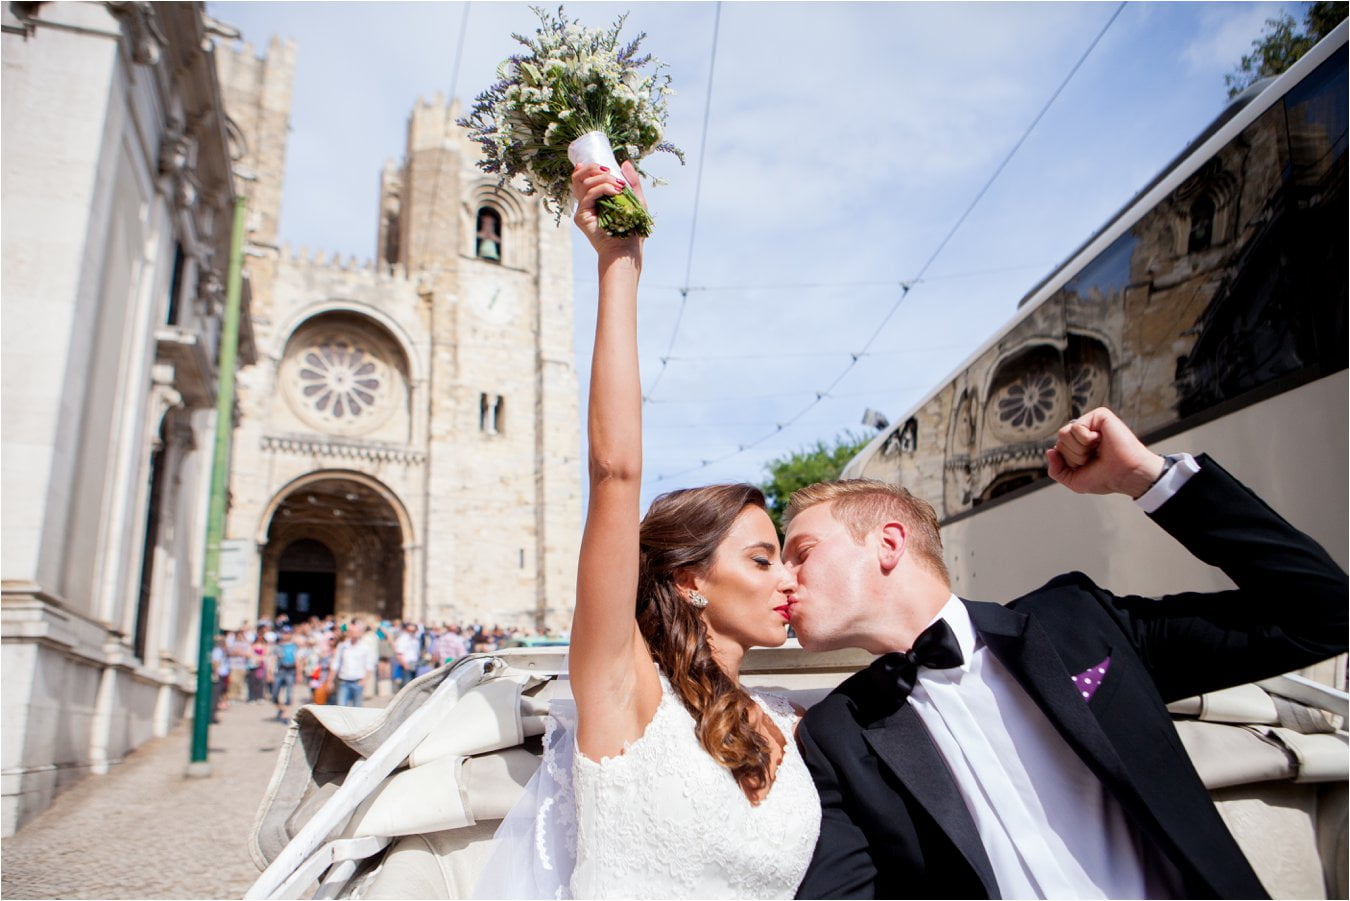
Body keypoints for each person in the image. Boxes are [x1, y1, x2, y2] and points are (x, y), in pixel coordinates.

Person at [783, 407, 1348, 899]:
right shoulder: (837, 733)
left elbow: (1324, 613)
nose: (784, 580)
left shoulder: (1077, 623)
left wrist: (1144, 478)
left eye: (800, 553)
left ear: (888, 544)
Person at [478, 161, 820, 900]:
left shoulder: (786, 722)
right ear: (690, 579)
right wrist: (619, 265)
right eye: (763, 559)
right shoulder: (623, 688)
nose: (789, 577)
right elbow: (615, 471)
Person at [329, 620, 376, 707]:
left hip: (357, 682)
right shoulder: (342, 646)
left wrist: (364, 680)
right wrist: (330, 680)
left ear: (360, 633)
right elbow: (335, 663)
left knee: (357, 708)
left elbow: (369, 665)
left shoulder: (365, 647)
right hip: (343, 682)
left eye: (354, 632)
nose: (352, 634)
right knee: (341, 706)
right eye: (350, 632)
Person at [270, 627, 301, 722]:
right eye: (284, 633)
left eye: (287, 633)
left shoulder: (295, 646)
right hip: (280, 671)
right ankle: (281, 709)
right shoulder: (277, 646)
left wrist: (299, 674)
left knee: (289, 694)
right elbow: (273, 659)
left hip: (290, 671)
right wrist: (270, 672)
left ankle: (285, 713)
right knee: (274, 694)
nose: (285, 635)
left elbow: (298, 660)